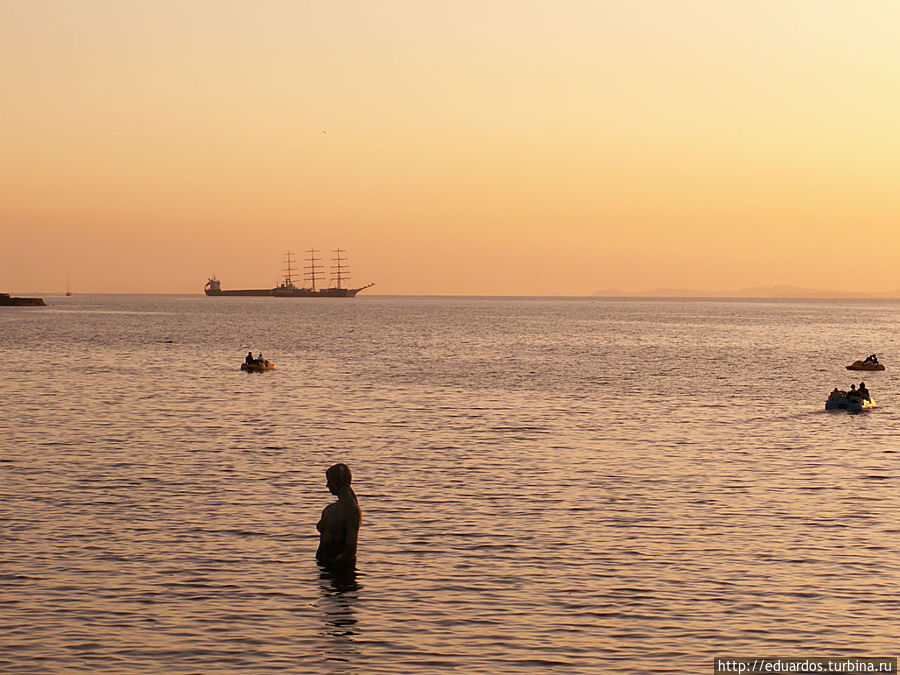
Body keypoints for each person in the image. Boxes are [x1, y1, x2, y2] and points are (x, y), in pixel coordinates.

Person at [316, 463, 361, 570]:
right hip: (322, 568)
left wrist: (332, 566)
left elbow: (350, 550)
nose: (327, 485)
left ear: (339, 482)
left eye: (329, 481)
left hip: (340, 572)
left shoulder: (351, 511)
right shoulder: (329, 510)